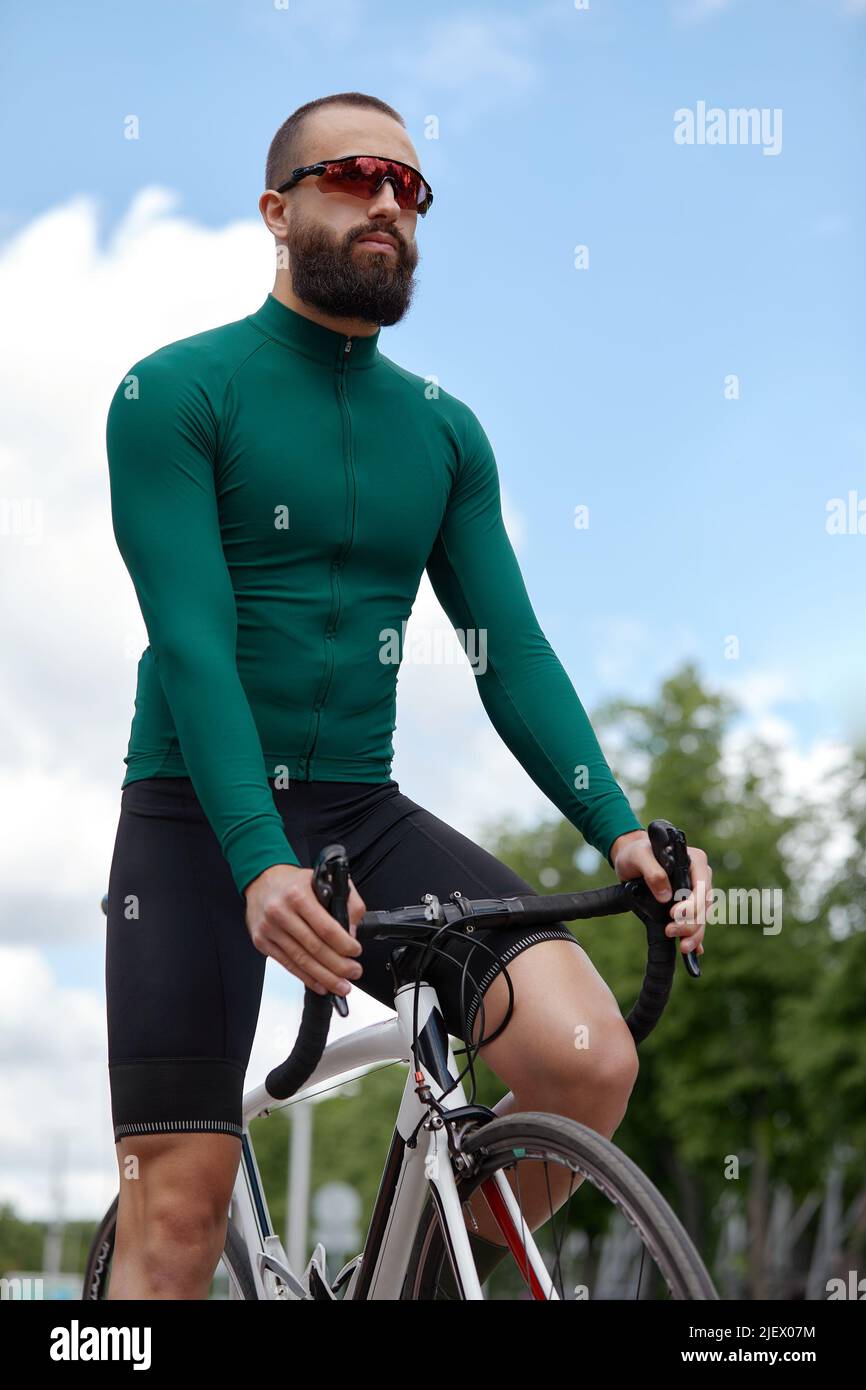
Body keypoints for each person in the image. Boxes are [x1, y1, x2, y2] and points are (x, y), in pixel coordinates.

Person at [104, 91, 710, 1300]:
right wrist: (255, 858)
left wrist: (621, 827)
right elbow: (192, 642)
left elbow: (511, 650)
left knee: (583, 1057)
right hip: (190, 811)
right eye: (355, 176)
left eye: (410, 188)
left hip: (359, 808)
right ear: (278, 210)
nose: (388, 201)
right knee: (175, 1219)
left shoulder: (443, 433)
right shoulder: (171, 393)